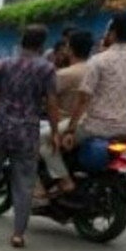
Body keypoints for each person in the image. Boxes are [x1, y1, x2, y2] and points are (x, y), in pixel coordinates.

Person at [0, 25, 59, 248]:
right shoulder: (47, 69)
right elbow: (52, 103)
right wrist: (55, 132)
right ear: (42, 44)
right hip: (27, 130)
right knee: (25, 182)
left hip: (0, 127)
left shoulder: (1, 65)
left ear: (21, 41)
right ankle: (18, 234)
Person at [62, 13, 126, 149]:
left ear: (113, 33)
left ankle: (60, 171)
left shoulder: (98, 60)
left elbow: (83, 99)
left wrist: (70, 130)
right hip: (123, 132)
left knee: (50, 139)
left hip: (92, 129)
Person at [37, 29, 93, 199]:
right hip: (97, 123)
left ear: (69, 49)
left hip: (70, 123)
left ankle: (62, 181)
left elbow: (45, 99)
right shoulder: (97, 70)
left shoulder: (65, 74)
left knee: (41, 140)